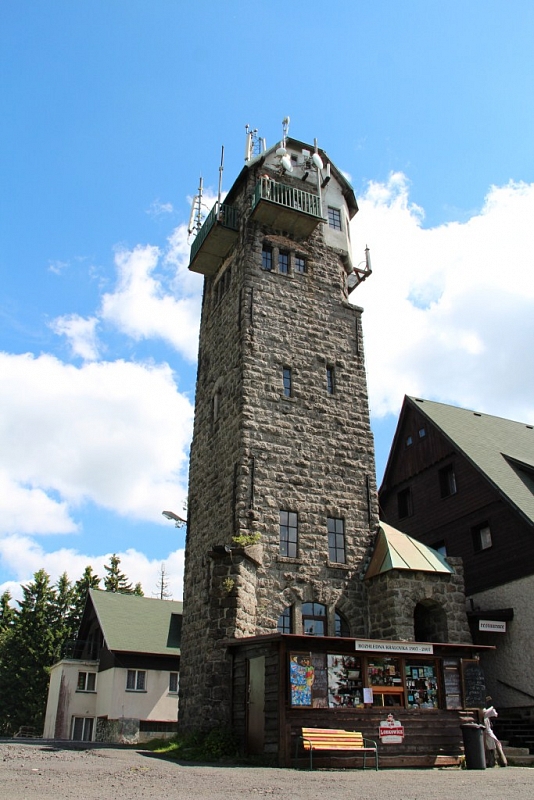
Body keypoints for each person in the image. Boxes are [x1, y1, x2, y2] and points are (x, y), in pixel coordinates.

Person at [483, 696, 507, 767]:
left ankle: (500, 761)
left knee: (494, 746)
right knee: (492, 746)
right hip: (486, 732)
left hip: (488, 732)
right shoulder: (482, 712)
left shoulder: (485, 714)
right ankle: (493, 761)